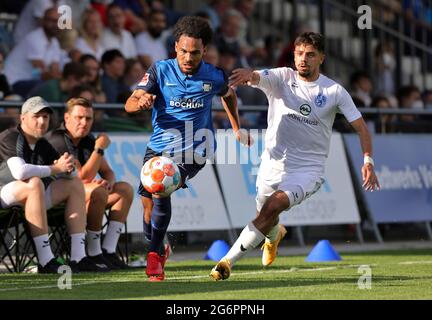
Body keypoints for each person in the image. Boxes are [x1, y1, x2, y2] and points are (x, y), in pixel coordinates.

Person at [210, 31, 380, 281]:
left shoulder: (334, 91)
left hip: (307, 170)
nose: (303, 59)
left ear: (321, 58)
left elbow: (362, 128)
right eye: (299, 54)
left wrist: (368, 160)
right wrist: (249, 74)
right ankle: (274, 235)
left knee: (274, 205)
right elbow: (257, 75)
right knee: (265, 213)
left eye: (310, 55)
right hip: (272, 163)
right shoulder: (281, 77)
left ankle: (227, 262)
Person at [125, 16, 252, 281]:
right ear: (175, 47)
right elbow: (130, 103)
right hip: (159, 146)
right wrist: (142, 101)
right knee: (147, 206)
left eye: (195, 52)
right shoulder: (160, 71)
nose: (188, 57)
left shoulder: (214, 76)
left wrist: (236, 127)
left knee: (160, 188)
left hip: (196, 147)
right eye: (183, 51)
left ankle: (153, 256)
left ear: (204, 50)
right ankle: (161, 245)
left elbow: (228, 95)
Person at [0, 96, 109, 273]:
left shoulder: (43, 143)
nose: (42, 121)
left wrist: (68, 167)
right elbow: (19, 173)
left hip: (33, 197)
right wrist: (55, 168)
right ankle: (45, 260)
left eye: (46, 117)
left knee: (74, 184)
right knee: (34, 183)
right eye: (36, 116)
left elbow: (71, 174)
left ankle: (78, 257)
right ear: (23, 118)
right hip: (4, 193)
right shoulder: (10, 136)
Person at [46, 97, 133, 269]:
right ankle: (94, 253)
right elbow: (82, 178)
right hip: (58, 203)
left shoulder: (88, 139)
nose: (84, 123)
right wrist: (99, 149)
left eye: (88, 118)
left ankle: (108, 251)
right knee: (97, 191)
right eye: (79, 117)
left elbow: (107, 171)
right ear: (67, 118)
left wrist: (108, 182)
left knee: (124, 189)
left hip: (83, 196)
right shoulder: (57, 139)